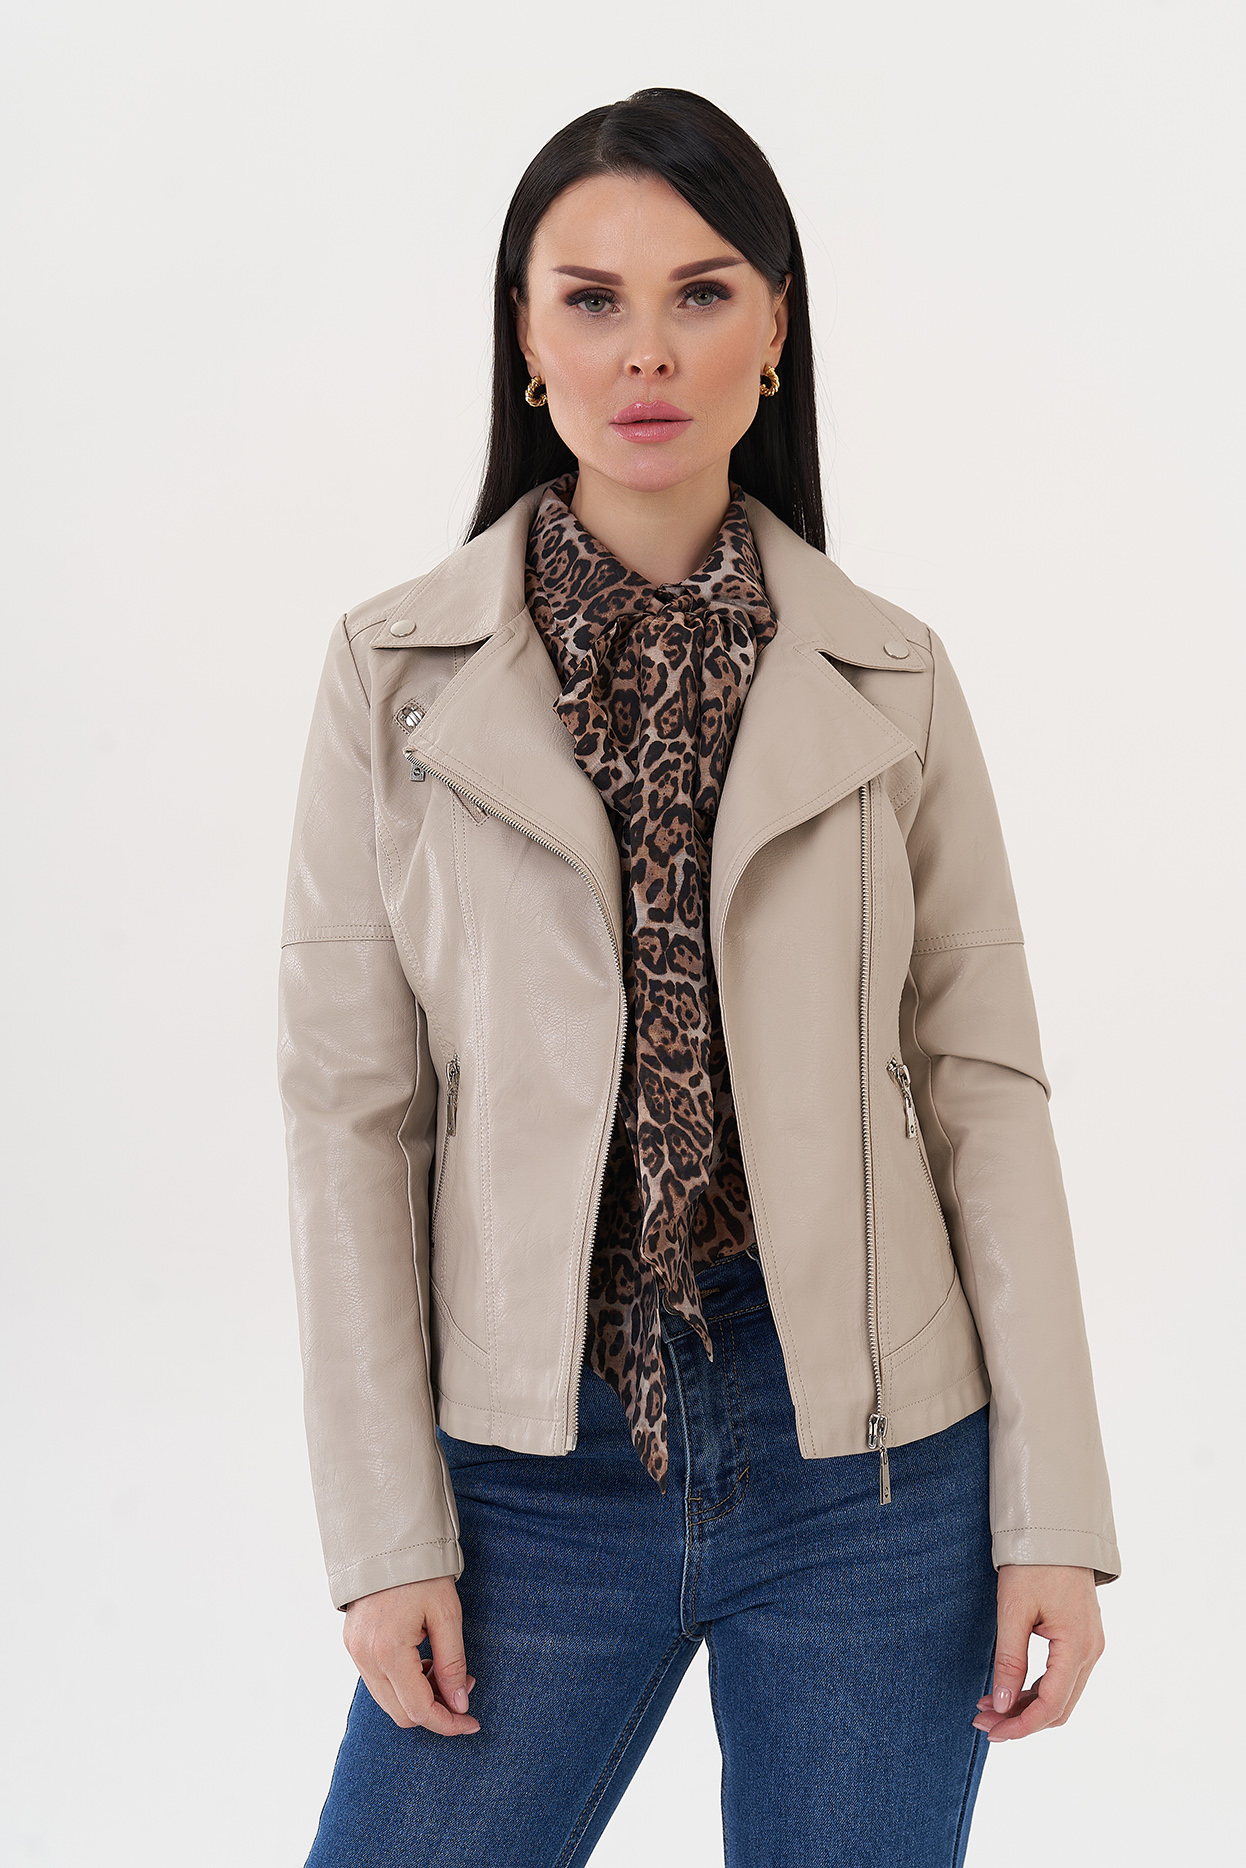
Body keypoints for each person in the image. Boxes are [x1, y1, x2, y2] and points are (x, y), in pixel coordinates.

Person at [278, 87, 1119, 1868]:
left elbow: (981, 1087)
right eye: (590, 299)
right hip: (522, 1465)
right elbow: (353, 1115)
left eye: (701, 293)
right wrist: (383, 1536)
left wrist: (1052, 1509)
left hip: (871, 1470)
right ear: (524, 340)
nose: (644, 351)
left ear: (774, 330)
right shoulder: (392, 678)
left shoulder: (890, 676)